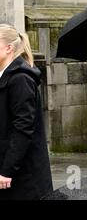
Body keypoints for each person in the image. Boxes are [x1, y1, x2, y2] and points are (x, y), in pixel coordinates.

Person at [0, 24, 52, 200]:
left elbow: (23, 128)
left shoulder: (20, 79)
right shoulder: (6, 75)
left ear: (8, 48)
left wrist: (7, 170)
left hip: (23, 175)